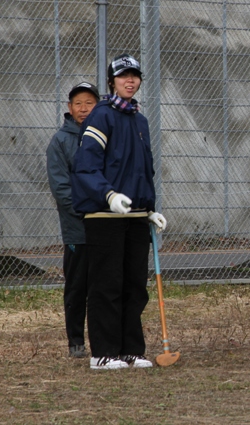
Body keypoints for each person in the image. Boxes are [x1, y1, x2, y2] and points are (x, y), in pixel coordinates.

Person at [71, 54, 168, 370]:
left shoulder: (140, 119)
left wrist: (149, 208)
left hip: (136, 217)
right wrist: (108, 195)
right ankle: (103, 352)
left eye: (135, 75)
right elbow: (86, 167)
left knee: (134, 286)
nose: (131, 80)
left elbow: (144, 170)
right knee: (106, 284)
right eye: (124, 75)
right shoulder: (101, 116)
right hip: (104, 216)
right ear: (112, 81)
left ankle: (131, 350)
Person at [47, 81, 100, 359]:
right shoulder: (60, 141)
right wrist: (89, 211)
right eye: (78, 103)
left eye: (89, 103)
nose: (83, 108)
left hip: (107, 228)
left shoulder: (106, 135)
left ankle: (106, 342)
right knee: (77, 287)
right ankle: (76, 341)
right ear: (69, 108)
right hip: (78, 231)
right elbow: (61, 189)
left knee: (105, 289)